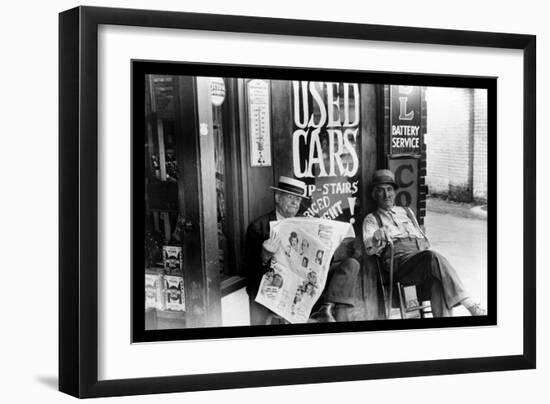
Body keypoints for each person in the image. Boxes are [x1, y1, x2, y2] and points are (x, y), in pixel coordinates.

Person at [362, 169, 486, 317]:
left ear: (395, 193)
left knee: (438, 281)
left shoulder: (407, 212)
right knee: (432, 257)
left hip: (419, 260)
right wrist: (376, 236)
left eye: (389, 189)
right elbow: (369, 248)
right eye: (380, 190)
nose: (386, 194)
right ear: (374, 195)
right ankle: (470, 304)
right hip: (399, 266)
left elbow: (425, 241)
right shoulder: (372, 219)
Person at [244, 176, 361, 325]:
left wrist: (328, 247)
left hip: (310, 280)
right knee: (341, 313)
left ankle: (327, 309)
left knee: (352, 264)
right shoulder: (258, 226)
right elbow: (248, 272)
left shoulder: (307, 222)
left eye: (298, 199)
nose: (295, 203)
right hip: (279, 285)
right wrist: (264, 255)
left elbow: (322, 260)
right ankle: (338, 318)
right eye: (290, 197)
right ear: (278, 197)